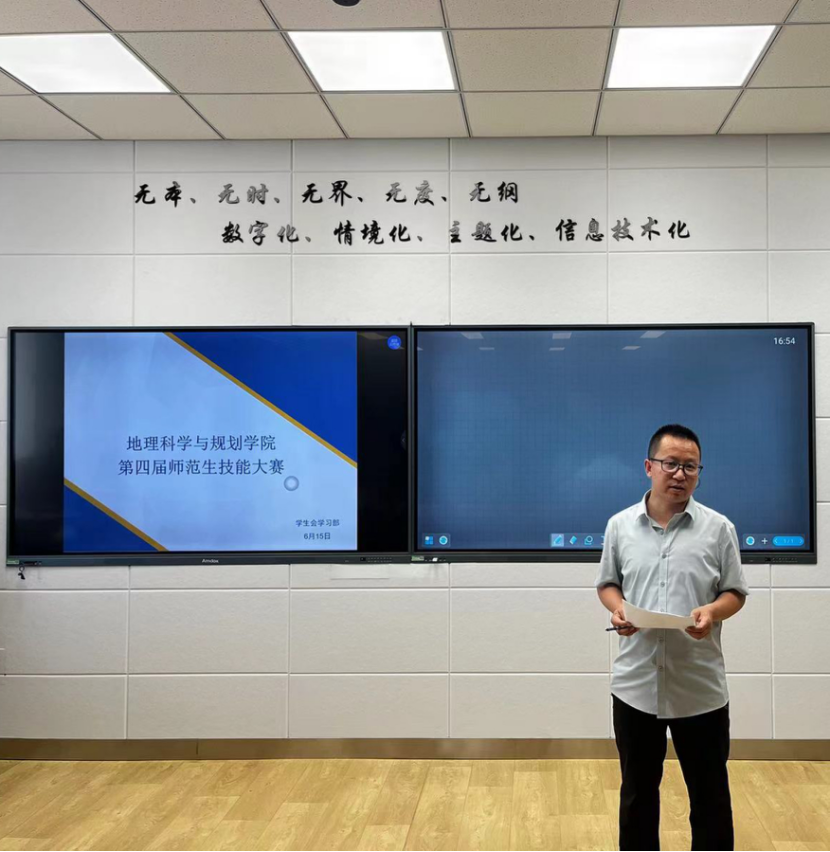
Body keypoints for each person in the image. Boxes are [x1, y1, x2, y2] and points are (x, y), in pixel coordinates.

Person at [595, 424, 749, 852]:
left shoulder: (719, 529)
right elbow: (607, 584)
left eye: (690, 467)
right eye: (671, 464)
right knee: (638, 795)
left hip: (699, 687)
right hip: (636, 686)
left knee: (710, 797)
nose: (680, 474)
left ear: (699, 473)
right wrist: (618, 609)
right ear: (649, 467)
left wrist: (712, 612)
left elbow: (735, 592)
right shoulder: (620, 526)